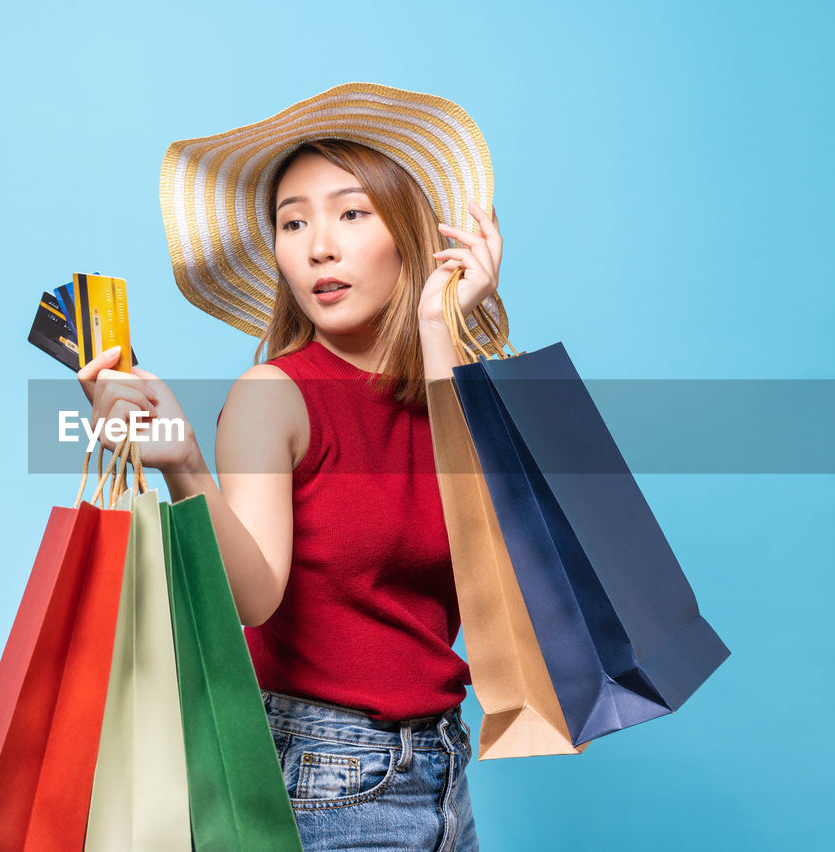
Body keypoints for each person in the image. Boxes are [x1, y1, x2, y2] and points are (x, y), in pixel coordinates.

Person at [78, 83, 506, 851]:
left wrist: (442, 324)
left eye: (351, 214)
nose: (319, 247)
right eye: (292, 222)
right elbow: (254, 595)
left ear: (409, 235)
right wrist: (182, 460)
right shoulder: (274, 395)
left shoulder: (444, 396)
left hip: (445, 772)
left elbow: (492, 554)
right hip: (326, 780)